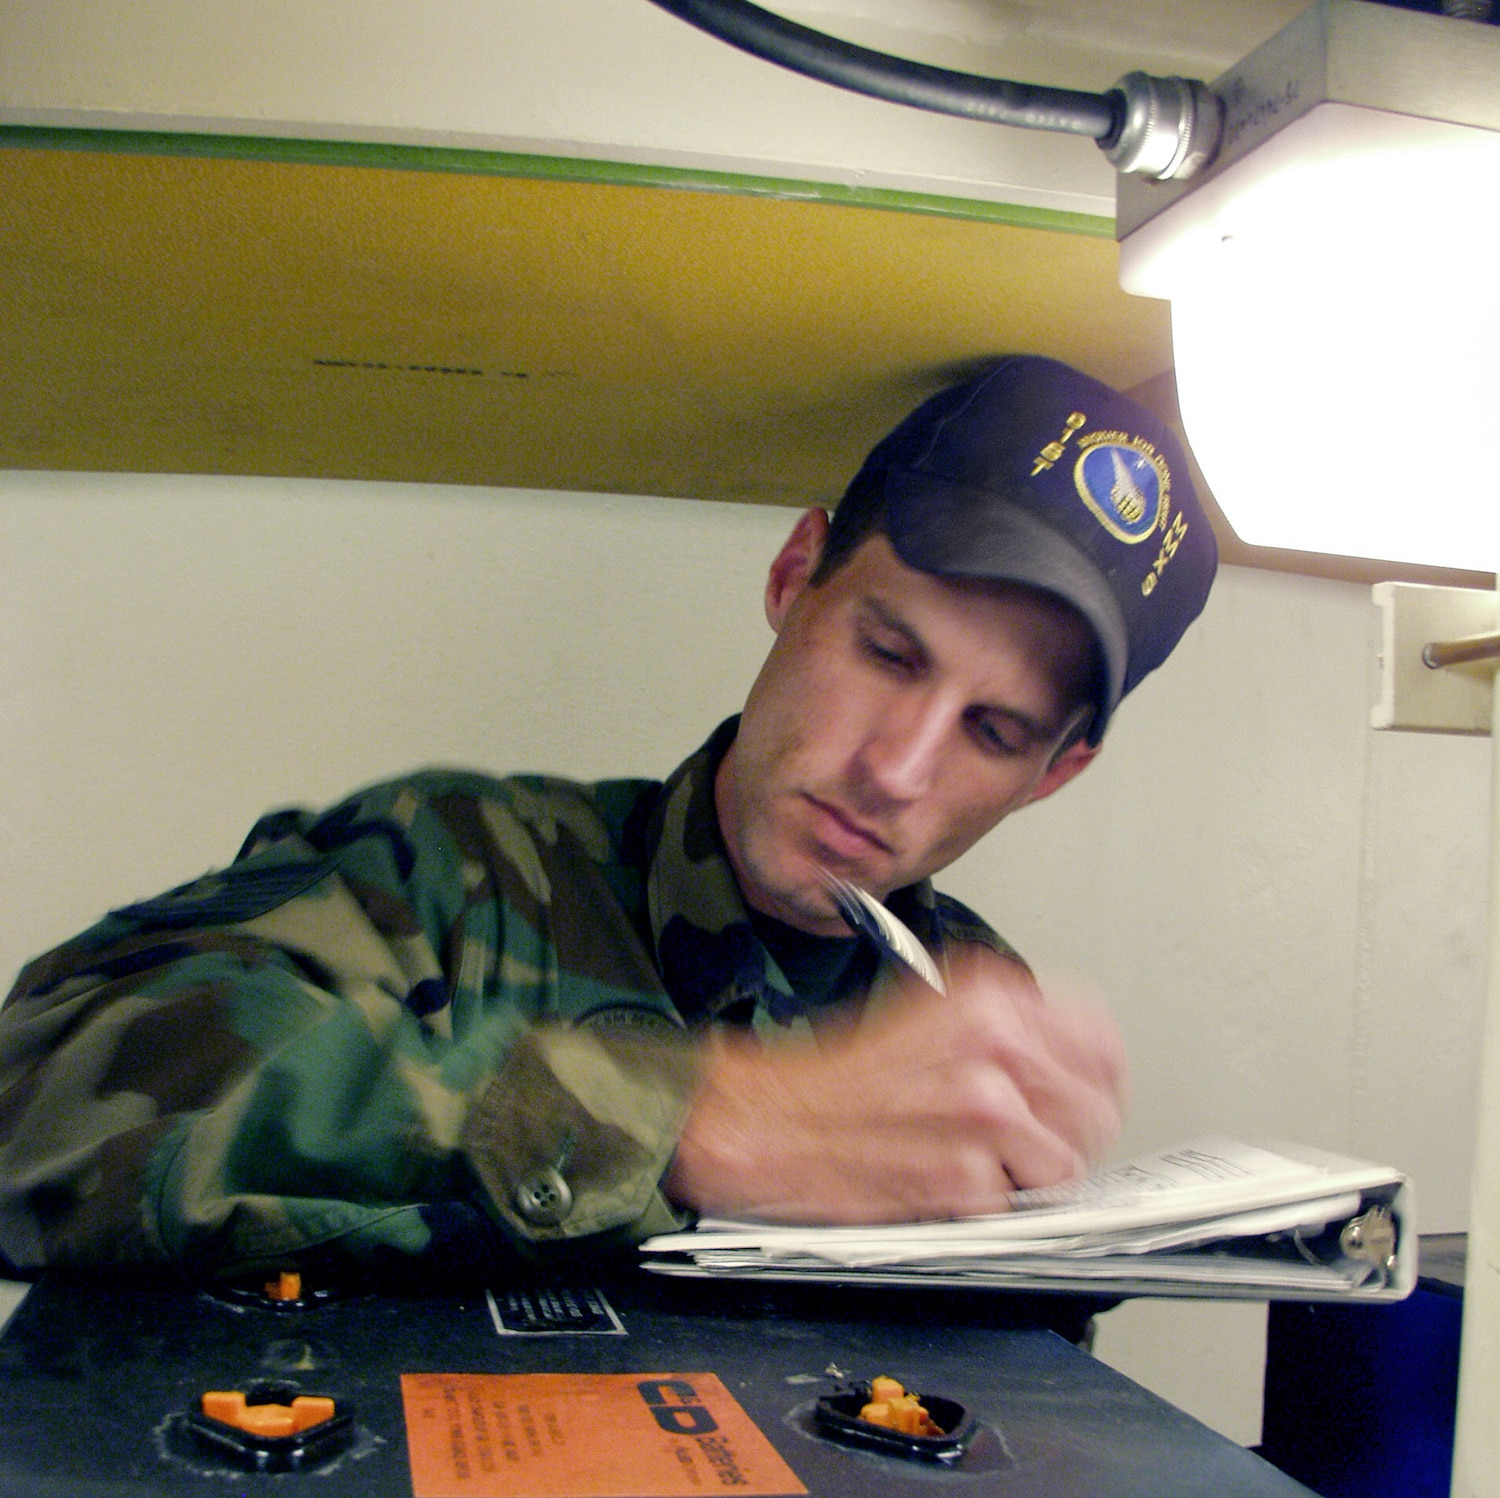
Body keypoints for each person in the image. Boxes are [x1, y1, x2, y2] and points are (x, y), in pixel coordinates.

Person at [0, 356, 1215, 1280]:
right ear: (796, 578)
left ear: (1055, 774)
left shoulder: (969, 1013)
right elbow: (36, 1092)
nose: (897, 765)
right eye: (888, 651)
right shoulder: (452, 868)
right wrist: (684, 1117)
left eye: (993, 732)